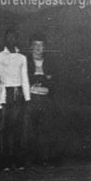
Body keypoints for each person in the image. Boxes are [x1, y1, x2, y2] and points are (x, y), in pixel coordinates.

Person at [0, 28, 30, 172]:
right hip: (4, 94)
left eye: (13, 37)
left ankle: (17, 161)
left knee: (17, 129)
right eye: (8, 37)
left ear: (16, 38)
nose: (10, 40)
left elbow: (25, 78)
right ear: (5, 39)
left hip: (17, 94)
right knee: (4, 129)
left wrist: (27, 98)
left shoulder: (22, 57)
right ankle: (5, 162)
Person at [24, 35, 56, 168]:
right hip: (30, 101)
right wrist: (43, 78)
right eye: (35, 45)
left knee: (45, 130)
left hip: (45, 100)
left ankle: (45, 160)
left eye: (41, 45)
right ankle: (29, 161)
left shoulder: (51, 62)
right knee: (29, 131)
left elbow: (53, 82)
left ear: (45, 47)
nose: (38, 48)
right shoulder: (25, 61)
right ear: (31, 46)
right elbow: (26, 80)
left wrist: (41, 79)